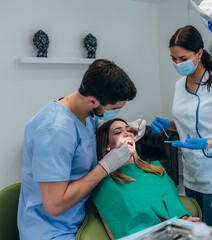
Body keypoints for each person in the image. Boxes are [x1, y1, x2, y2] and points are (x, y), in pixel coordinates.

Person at [18, 59, 146, 240]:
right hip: (53, 232)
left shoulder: (84, 114)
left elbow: (88, 135)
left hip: (82, 220)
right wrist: (105, 167)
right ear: (93, 101)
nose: (116, 113)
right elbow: (54, 206)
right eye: (114, 109)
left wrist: (126, 128)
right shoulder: (55, 131)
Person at [151, 25, 212, 227]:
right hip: (192, 172)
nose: (177, 63)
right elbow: (190, 123)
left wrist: (208, 143)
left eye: (183, 58)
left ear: (199, 53)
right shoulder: (179, 85)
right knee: (197, 229)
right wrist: (168, 124)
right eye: (174, 59)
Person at [92, 118, 199, 239]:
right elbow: (120, 232)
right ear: (107, 146)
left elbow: (177, 210)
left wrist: (186, 221)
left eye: (129, 130)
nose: (127, 133)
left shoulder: (157, 171)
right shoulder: (107, 185)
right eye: (118, 132)